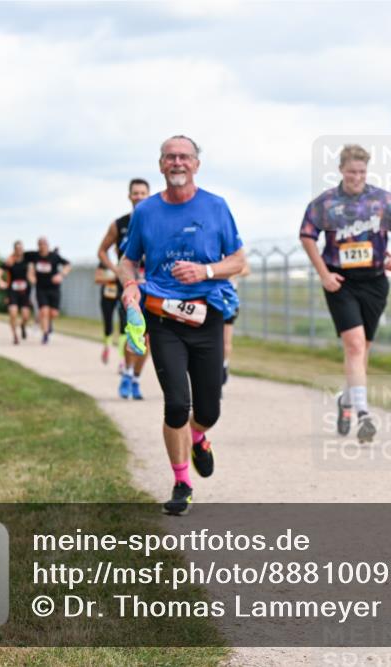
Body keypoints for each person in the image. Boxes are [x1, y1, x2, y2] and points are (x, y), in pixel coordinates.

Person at [118, 135, 245, 516]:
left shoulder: (216, 207)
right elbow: (128, 260)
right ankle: (181, 481)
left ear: (196, 164)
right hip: (162, 317)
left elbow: (237, 259)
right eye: (170, 157)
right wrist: (129, 287)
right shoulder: (146, 212)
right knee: (176, 404)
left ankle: (199, 435)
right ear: (161, 165)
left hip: (207, 315)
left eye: (184, 157)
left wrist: (205, 270)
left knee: (208, 410)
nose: (177, 163)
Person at [299, 144, 391, 443]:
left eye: (361, 172)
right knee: (354, 345)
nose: (356, 177)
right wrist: (323, 273)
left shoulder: (382, 200)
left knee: (363, 351)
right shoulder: (324, 203)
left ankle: (344, 400)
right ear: (341, 170)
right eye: (351, 172)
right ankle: (363, 413)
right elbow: (307, 235)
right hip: (341, 281)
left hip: (374, 280)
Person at [97, 178, 151, 399]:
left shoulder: (157, 221)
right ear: (129, 196)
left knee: (148, 339)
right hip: (129, 287)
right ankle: (127, 374)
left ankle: (136, 378)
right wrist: (115, 269)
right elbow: (102, 251)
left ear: (149, 196)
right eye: (135, 193)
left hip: (153, 287)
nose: (138, 197)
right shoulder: (119, 224)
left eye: (142, 193)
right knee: (133, 332)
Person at [25, 237, 70, 344]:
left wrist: (61, 275)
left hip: (54, 288)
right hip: (41, 288)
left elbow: (68, 265)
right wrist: (31, 278)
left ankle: (49, 323)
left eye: (44, 244)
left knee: (53, 313)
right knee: (44, 311)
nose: (42, 246)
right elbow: (19, 257)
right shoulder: (33, 256)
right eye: (40, 244)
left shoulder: (54, 256)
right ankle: (45, 335)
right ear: (38, 245)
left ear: (48, 245)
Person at [0, 241, 33, 345]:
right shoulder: (10, 261)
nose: (19, 251)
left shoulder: (27, 261)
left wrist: (33, 279)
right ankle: (15, 336)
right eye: (17, 249)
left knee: (25, 316)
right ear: (14, 250)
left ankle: (23, 326)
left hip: (25, 291)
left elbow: (32, 273)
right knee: (13, 313)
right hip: (13, 291)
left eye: (21, 249)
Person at [221, 258, 250, 389]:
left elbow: (246, 269)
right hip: (212, 294)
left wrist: (229, 272)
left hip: (229, 296)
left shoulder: (233, 250)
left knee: (226, 340)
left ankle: (224, 365)